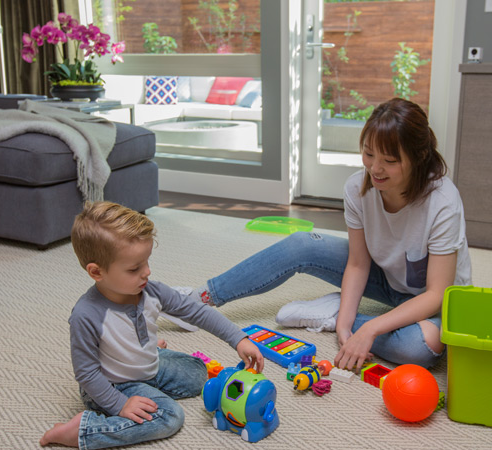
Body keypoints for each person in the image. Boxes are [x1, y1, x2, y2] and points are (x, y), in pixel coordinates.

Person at [184, 98, 471, 372]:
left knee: (421, 349)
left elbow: (436, 294)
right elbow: (358, 263)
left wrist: (367, 327)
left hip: (430, 297)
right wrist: (347, 327)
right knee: (301, 244)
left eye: (390, 160)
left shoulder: (442, 201)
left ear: (419, 157)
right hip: (385, 278)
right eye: (369, 154)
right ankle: (201, 297)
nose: (375, 168)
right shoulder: (358, 187)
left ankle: (331, 314)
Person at [40, 201, 264, 450]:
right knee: (169, 417)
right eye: (134, 268)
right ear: (96, 272)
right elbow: (87, 373)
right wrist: (119, 405)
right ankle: (84, 431)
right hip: (111, 384)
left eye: (146, 262)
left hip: (147, 365)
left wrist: (239, 339)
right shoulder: (86, 314)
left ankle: (142, 347)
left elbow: (196, 311)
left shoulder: (151, 291)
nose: (147, 272)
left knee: (198, 371)